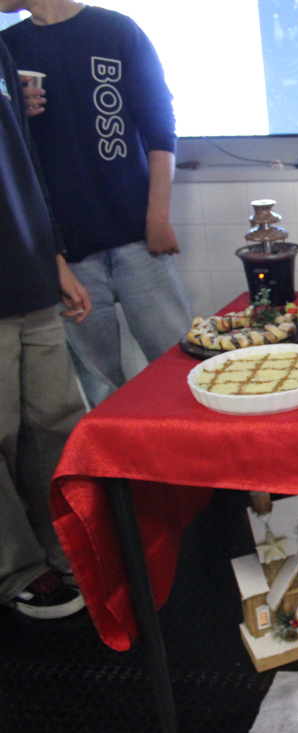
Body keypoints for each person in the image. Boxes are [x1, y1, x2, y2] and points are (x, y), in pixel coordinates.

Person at [1, 0, 192, 407]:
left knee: (182, 370)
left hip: (139, 242)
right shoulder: (7, 48)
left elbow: (160, 127)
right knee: (102, 391)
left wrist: (158, 217)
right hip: (68, 258)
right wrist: (12, 114)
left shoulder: (116, 31)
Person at [0, 35, 90, 618]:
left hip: (30, 272)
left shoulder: (3, 52)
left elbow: (27, 164)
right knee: (0, 437)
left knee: (57, 421)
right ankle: (19, 569)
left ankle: (67, 548)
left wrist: (54, 255)